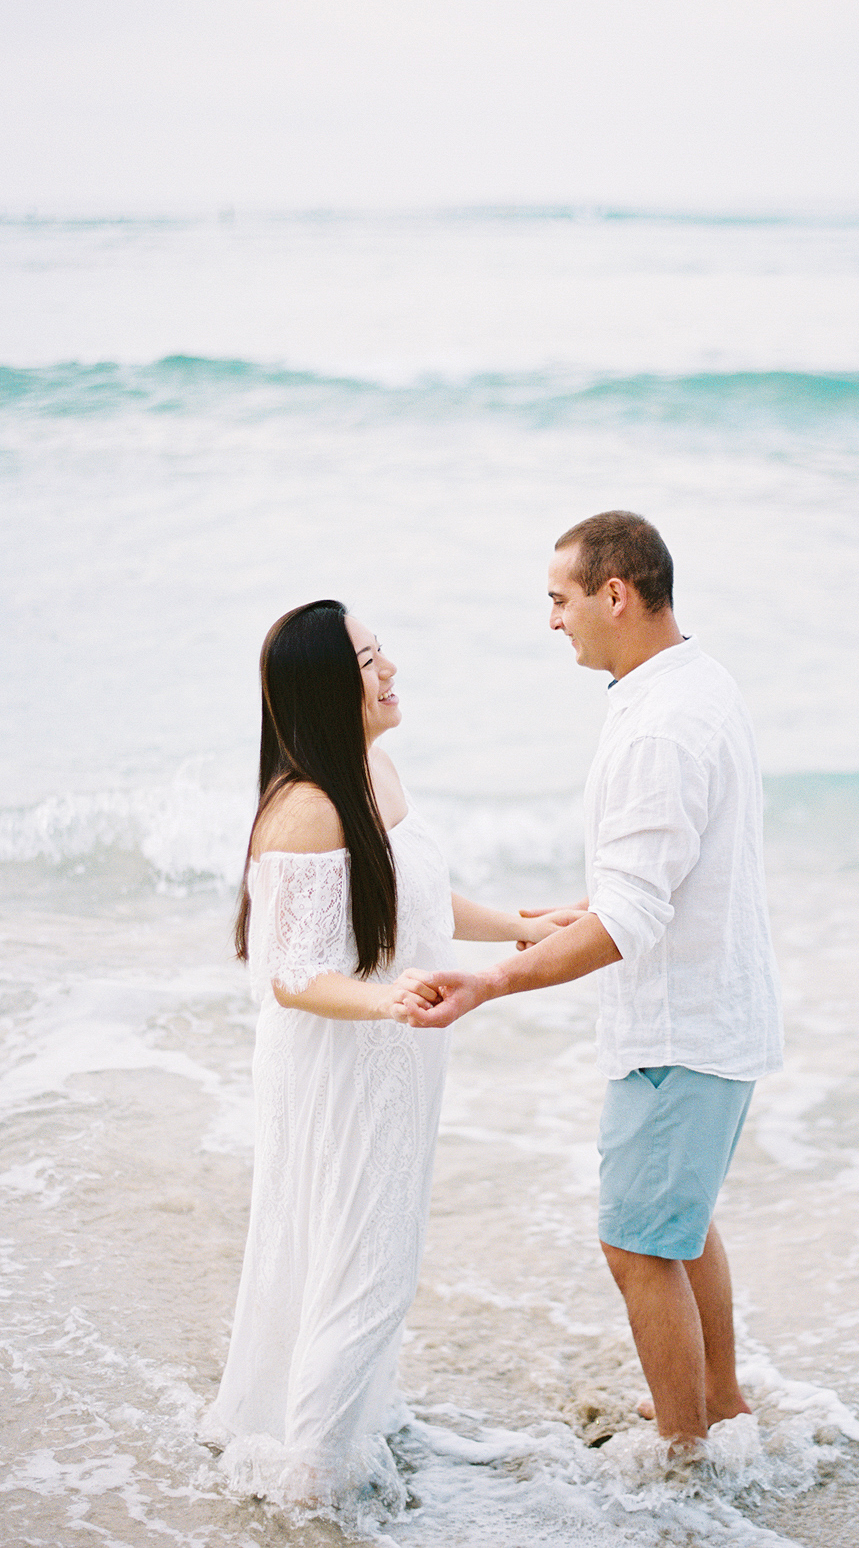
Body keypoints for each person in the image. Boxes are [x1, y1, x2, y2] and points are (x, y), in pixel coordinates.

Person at [403, 512, 783, 1454]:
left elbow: (634, 921)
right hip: (712, 1015)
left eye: (560, 599)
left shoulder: (660, 725)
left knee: (638, 1243)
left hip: (678, 1030)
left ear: (615, 594)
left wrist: (491, 979)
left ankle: (685, 1457)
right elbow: (655, 879)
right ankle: (719, 1407)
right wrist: (565, 914)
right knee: (679, 1226)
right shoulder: (694, 683)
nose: (552, 621)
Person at [202, 599, 567, 1507]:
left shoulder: (375, 769)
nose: (391, 668)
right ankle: (312, 1490)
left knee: (366, 1251)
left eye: (380, 651)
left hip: (393, 1046)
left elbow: (418, 903)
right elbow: (292, 974)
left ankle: (337, 1428)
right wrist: (383, 1000)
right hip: (340, 1060)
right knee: (366, 1263)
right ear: (331, 685)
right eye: (369, 660)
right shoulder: (304, 811)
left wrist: (521, 925)